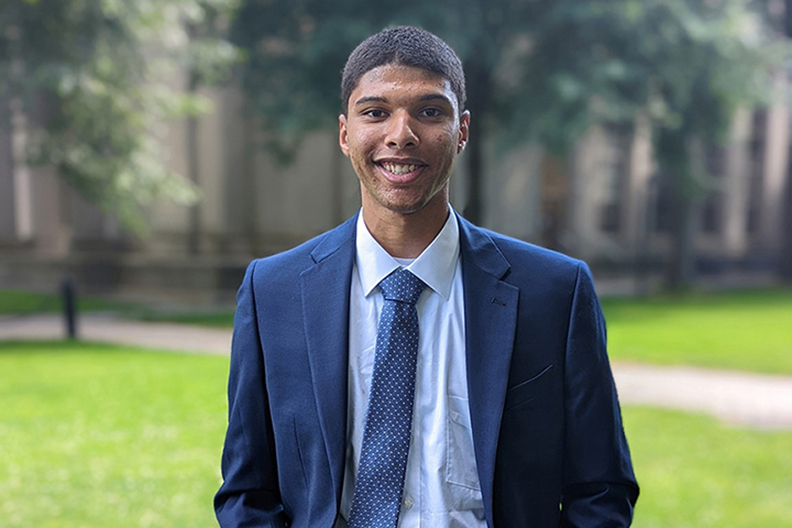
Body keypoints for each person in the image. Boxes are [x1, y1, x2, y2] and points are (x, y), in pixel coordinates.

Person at [215, 26, 639, 528]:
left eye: (429, 111)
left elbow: (601, 489)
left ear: (461, 130)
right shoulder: (273, 291)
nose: (401, 134)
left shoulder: (555, 292)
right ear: (345, 132)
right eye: (375, 112)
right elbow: (247, 492)